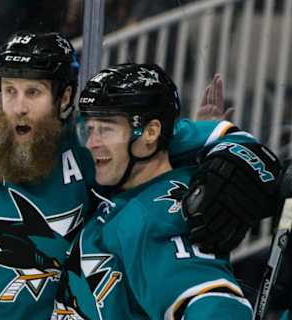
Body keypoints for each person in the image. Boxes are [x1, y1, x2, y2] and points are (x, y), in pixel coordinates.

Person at [0, 32, 277, 319]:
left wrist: (231, 158)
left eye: (34, 93)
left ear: (65, 98)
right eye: (9, 91)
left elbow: (220, 141)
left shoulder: (99, 143)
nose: (18, 106)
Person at [52, 63, 279, 319]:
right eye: (90, 129)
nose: (92, 143)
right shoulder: (131, 194)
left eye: (107, 129)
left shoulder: (152, 216)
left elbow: (215, 306)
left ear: (150, 132)